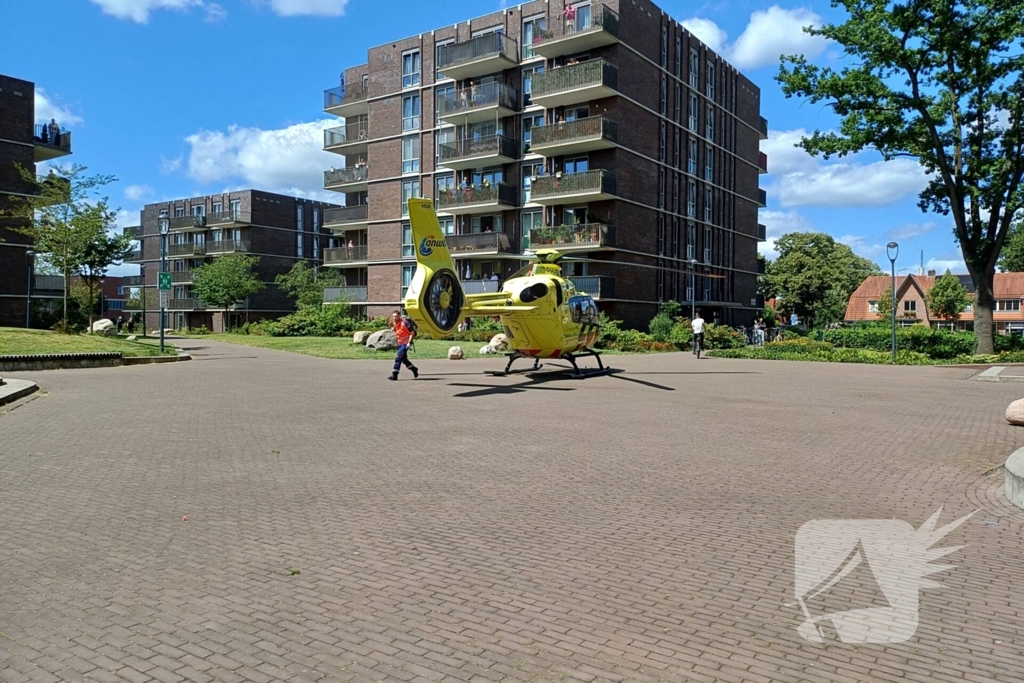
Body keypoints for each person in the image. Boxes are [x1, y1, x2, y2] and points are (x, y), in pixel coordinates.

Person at [387, 309, 419, 381]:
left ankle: (394, 374)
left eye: (396, 316)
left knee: (398, 357)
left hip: (406, 343)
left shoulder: (405, 323)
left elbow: (412, 333)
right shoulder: (394, 322)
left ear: (399, 316)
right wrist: (393, 328)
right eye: (393, 316)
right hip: (400, 343)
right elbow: (396, 329)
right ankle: (414, 369)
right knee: (404, 359)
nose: (394, 318)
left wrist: (409, 342)